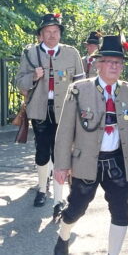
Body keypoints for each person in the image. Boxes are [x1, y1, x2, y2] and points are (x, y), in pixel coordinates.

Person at [52, 34, 128, 255]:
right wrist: (61, 166)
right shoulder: (79, 90)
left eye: (118, 62)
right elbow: (65, 131)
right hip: (85, 162)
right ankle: (64, 234)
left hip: (117, 162)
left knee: (121, 212)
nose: (114, 66)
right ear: (98, 64)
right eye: (109, 61)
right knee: (76, 209)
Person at [15, 13, 84, 217]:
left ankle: (58, 199)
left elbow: (81, 85)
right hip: (40, 110)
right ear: (41, 35)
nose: (52, 35)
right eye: (48, 32)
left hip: (65, 110)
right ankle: (42, 189)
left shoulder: (71, 53)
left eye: (55, 31)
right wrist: (33, 76)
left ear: (60, 34)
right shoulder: (30, 54)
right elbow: (19, 82)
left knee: (61, 153)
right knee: (42, 151)